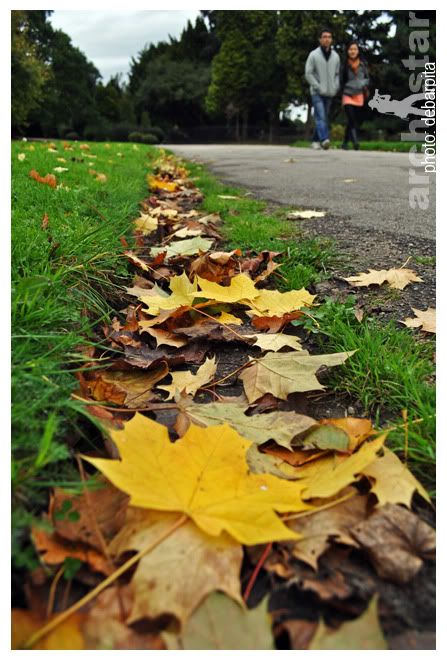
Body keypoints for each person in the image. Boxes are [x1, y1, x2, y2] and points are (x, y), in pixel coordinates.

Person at [305, 28, 340, 150]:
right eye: (324, 36)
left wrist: (336, 87)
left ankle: (315, 141)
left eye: (329, 37)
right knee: (321, 116)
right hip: (317, 92)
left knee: (322, 117)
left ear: (331, 40)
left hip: (330, 92)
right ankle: (325, 139)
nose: (327, 39)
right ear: (320, 39)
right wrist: (317, 86)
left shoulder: (336, 56)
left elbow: (337, 74)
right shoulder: (313, 55)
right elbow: (308, 73)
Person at [340, 41, 370, 150]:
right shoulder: (344, 65)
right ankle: (355, 142)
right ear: (347, 51)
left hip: (359, 94)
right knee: (351, 118)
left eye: (355, 49)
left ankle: (344, 142)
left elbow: (367, 78)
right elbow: (340, 80)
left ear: (358, 51)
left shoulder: (363, 64)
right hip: (347, 94)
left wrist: (363, 84)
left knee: (352, 121)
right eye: (350, 49)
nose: (353, 51)